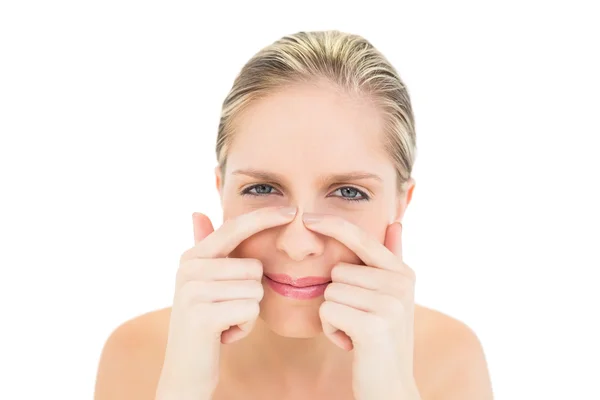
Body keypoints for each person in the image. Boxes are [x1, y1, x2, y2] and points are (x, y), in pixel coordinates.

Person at [94, 30, 493, 400]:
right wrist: (184, 386)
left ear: (400, 204)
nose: (298, 244)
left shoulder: (451, 360)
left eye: (349, 192)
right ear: (222, 190)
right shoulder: (137, 356)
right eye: (262, 189)